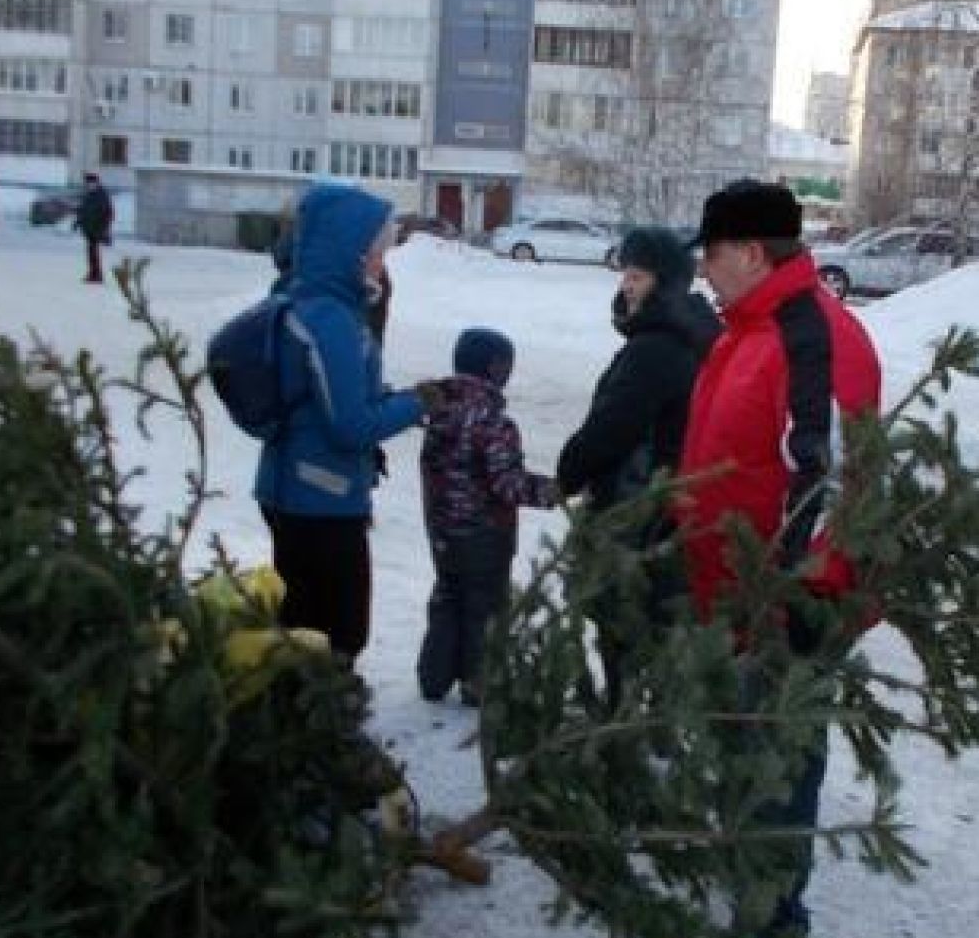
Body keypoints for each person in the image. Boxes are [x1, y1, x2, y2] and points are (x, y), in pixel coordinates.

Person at [676, 179, 882, 938]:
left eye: (714, 252)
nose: (703, 269)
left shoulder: (809, 337)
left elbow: (826, 483)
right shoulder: (745, 330)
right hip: (731, 596)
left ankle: (769, 927)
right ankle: (742, 887)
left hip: (787, 603)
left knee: (781, 763)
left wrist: (789, 600)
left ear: (754, 252)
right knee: (739, 749)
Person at [257, 183, 436, 663]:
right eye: (375, 252)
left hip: (293, 485)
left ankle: (312, 717)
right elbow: (350, 426)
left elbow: (336, 399)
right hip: (320, 494)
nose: (382, 262)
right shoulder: (331, 321)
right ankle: (324, 723)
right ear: (348, 252)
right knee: (335, 631)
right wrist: (419, 403)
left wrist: (395, 401)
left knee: (305, 622)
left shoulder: (301, 302)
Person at [555, 227, 720, 706]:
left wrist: (568, 472)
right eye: (624, 273)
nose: (626, 284)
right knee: (653, 627)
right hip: (662, 508)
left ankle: (623, 727)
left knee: (622, 623)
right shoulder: (684, 337)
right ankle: (646, 721)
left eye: (638, 275)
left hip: (634, 508)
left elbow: (611, 428)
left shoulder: (655, 349)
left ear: (665, 282)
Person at [416, 329, 558, 706]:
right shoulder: (492, 422)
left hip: (442, 527)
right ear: (495, 368)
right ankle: (480, 684)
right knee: (485, 606)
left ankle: (434, 676)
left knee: (448, 596)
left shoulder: (439, 412)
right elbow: (506, 484)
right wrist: (555, 491)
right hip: (484, 534)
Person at [74, 173, 114, 284]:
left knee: (93, 251)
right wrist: (78, 222)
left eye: (91, 183)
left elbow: (108, 212)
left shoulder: (101, 195)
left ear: (96, 183)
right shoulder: (89, 195)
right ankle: (93, 273)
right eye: (87, 183)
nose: (89, 185)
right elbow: (83, 210)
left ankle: (96, 275)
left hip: (97, 228)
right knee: (91, 252)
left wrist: (104, 228)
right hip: (89, 228)